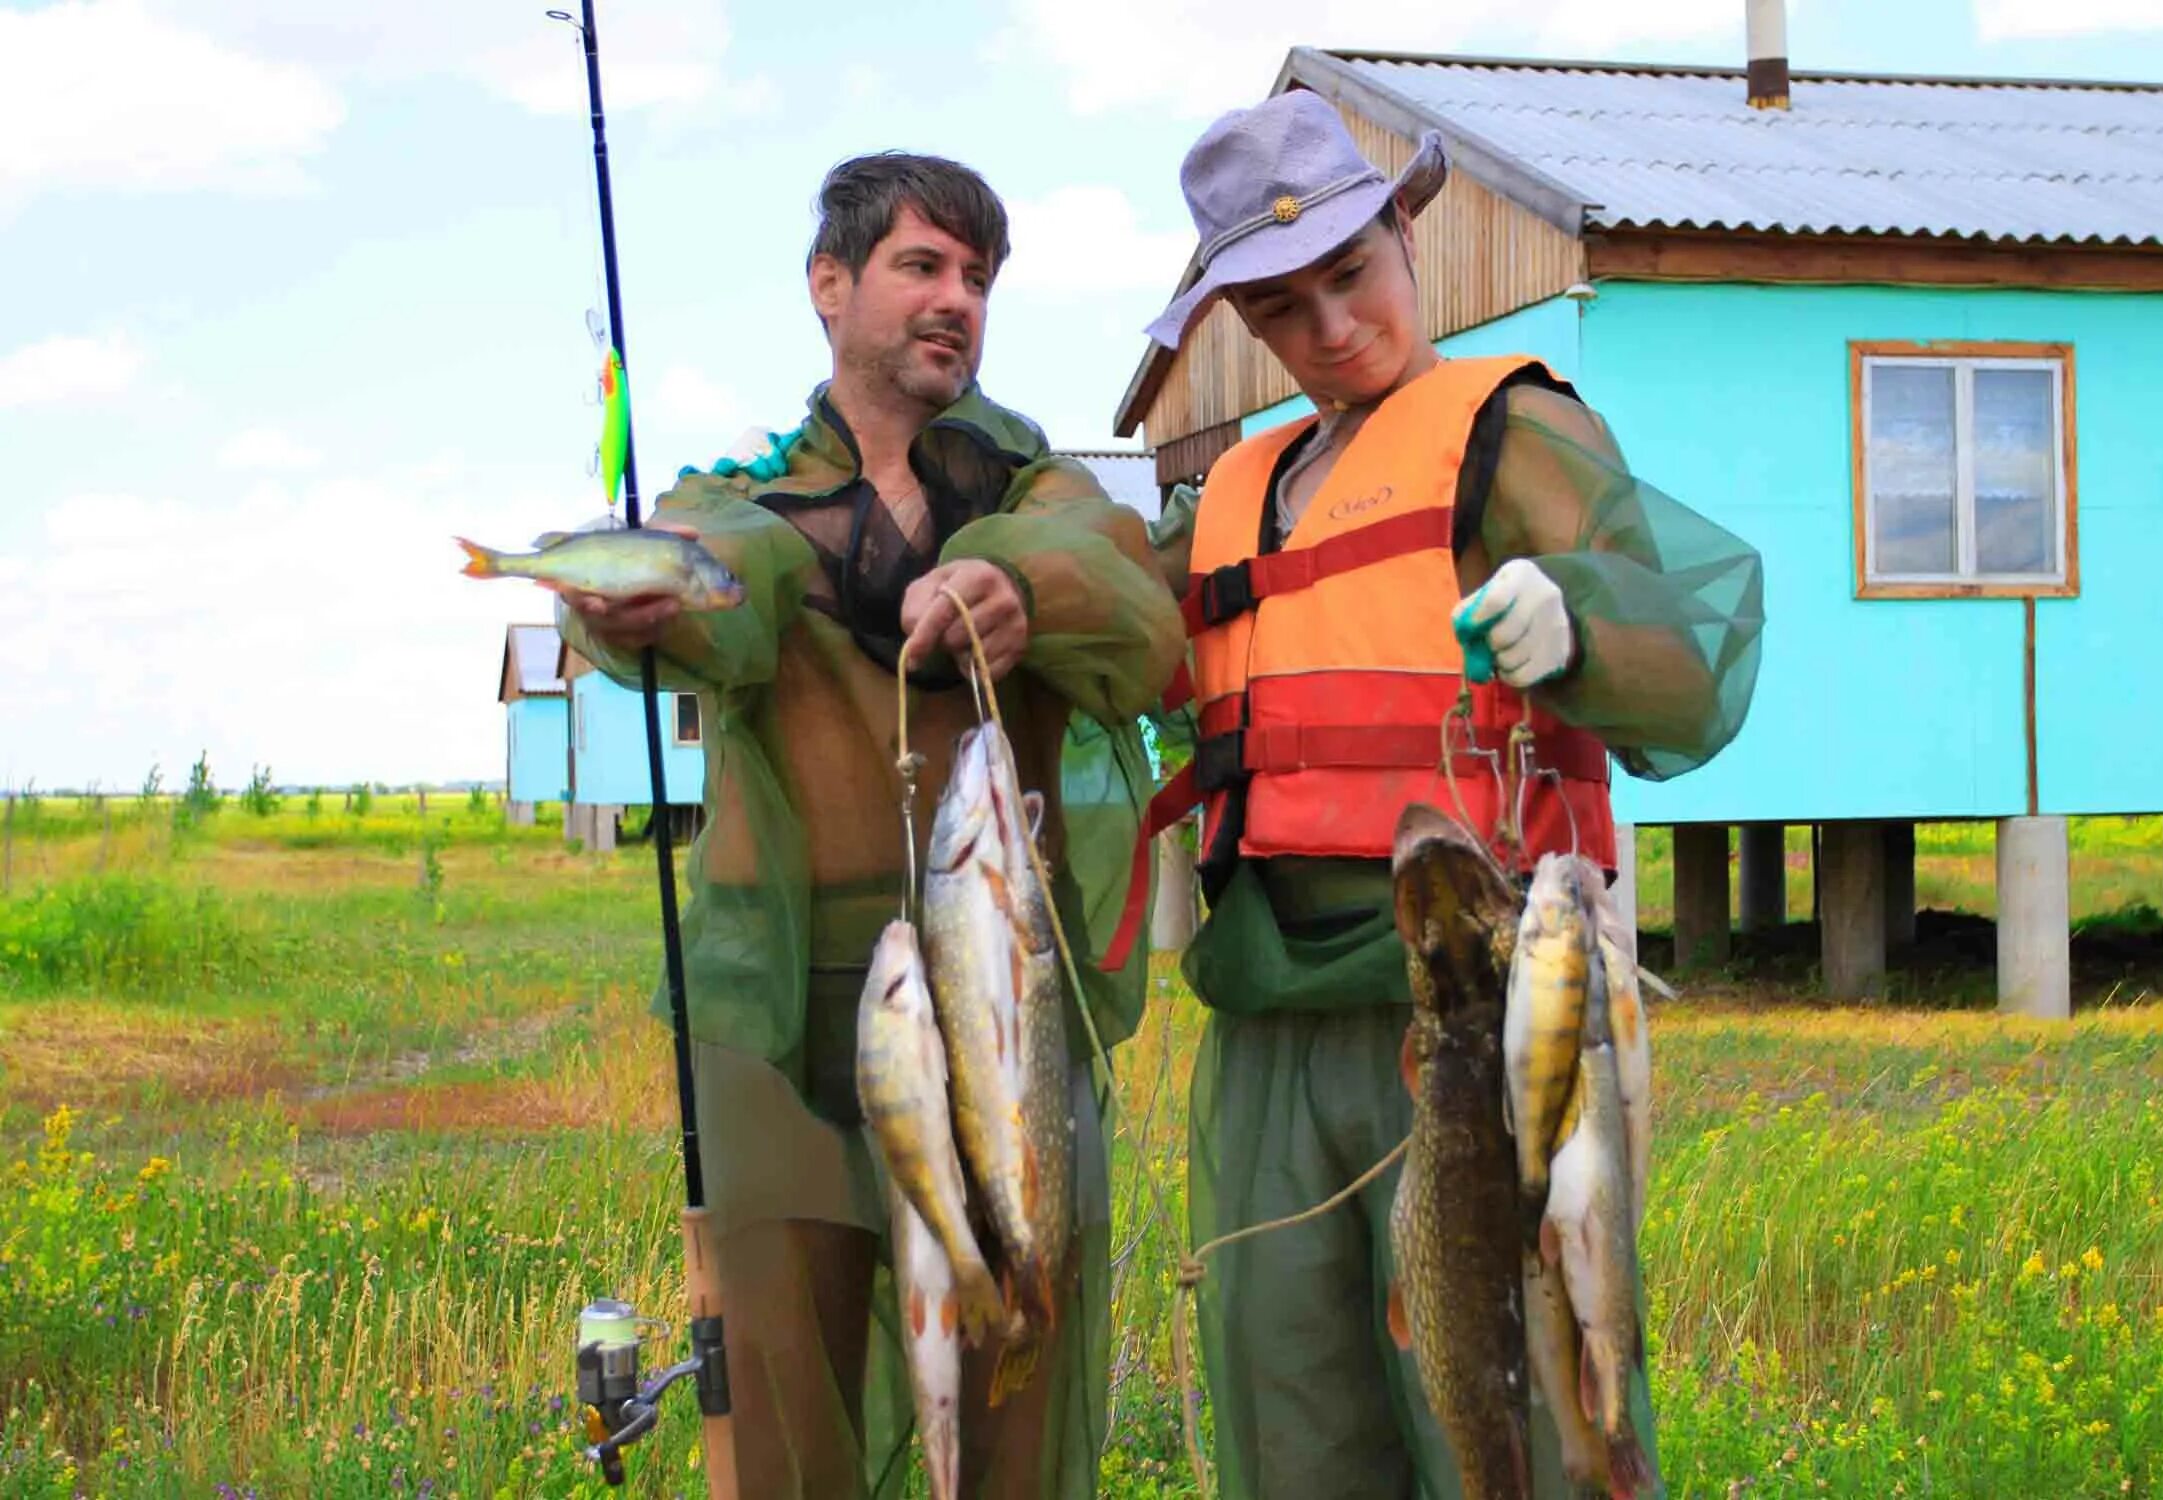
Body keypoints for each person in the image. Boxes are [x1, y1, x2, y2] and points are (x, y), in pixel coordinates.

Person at [1131, 91, 1766, 1499]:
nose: (1333, 328)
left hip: (1476, 1013)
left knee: (1528, 1410)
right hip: (1266, 1020)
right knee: (1287, 1413)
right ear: (1242, 324)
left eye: (1350, 275)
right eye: (1284, 311)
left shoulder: (1512, 432)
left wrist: (1581, 619)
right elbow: (1120, 636)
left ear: (1400, 233)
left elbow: (1695, 662)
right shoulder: (1231, 494)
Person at [555, 150, 1184, 1499]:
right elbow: (698, 578)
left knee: (1017, 1367)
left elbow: (1139, 622)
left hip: (1005, 999)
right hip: (772, 1018)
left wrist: (1008, 584)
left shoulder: (1041, 498)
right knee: (777, 1403)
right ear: (828, 288)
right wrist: (611, 607)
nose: (954, 299)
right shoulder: (739, 501)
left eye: (976, 277)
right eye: (920, 266)